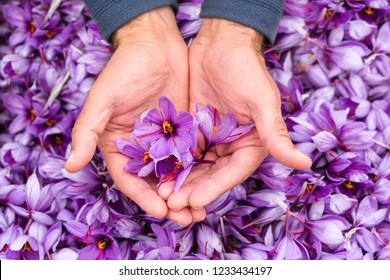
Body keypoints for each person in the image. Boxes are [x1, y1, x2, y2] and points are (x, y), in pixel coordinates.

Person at [64, 0, 312, 226]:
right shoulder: (170, 130)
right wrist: (141, 24)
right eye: (165, 130)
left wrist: (236, 25)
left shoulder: (178, 126)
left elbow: (179, 126)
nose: (166, 128)